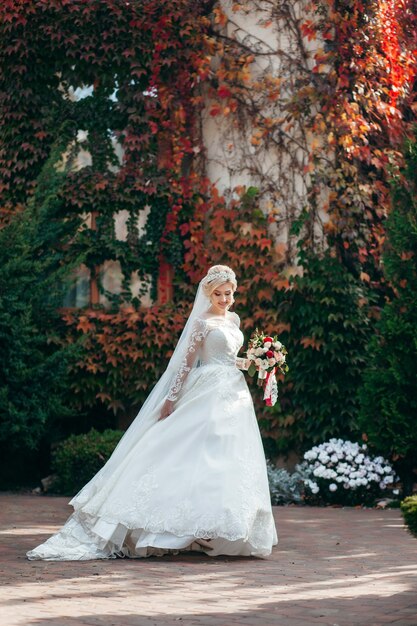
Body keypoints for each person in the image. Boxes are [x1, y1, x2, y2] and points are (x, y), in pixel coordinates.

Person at [27, 265, 278, 560]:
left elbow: (230, 360)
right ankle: (175, 530)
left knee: (227, 454)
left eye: (229, 293)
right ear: (209, 294)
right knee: (196, 450)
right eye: (219, 294)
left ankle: (212, 529)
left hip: (233, 393)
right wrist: (171, 399)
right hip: (206, 390)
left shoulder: (234, 320)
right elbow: (186, 364)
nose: (225, 299)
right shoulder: (201, 323)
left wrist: (259, 362)